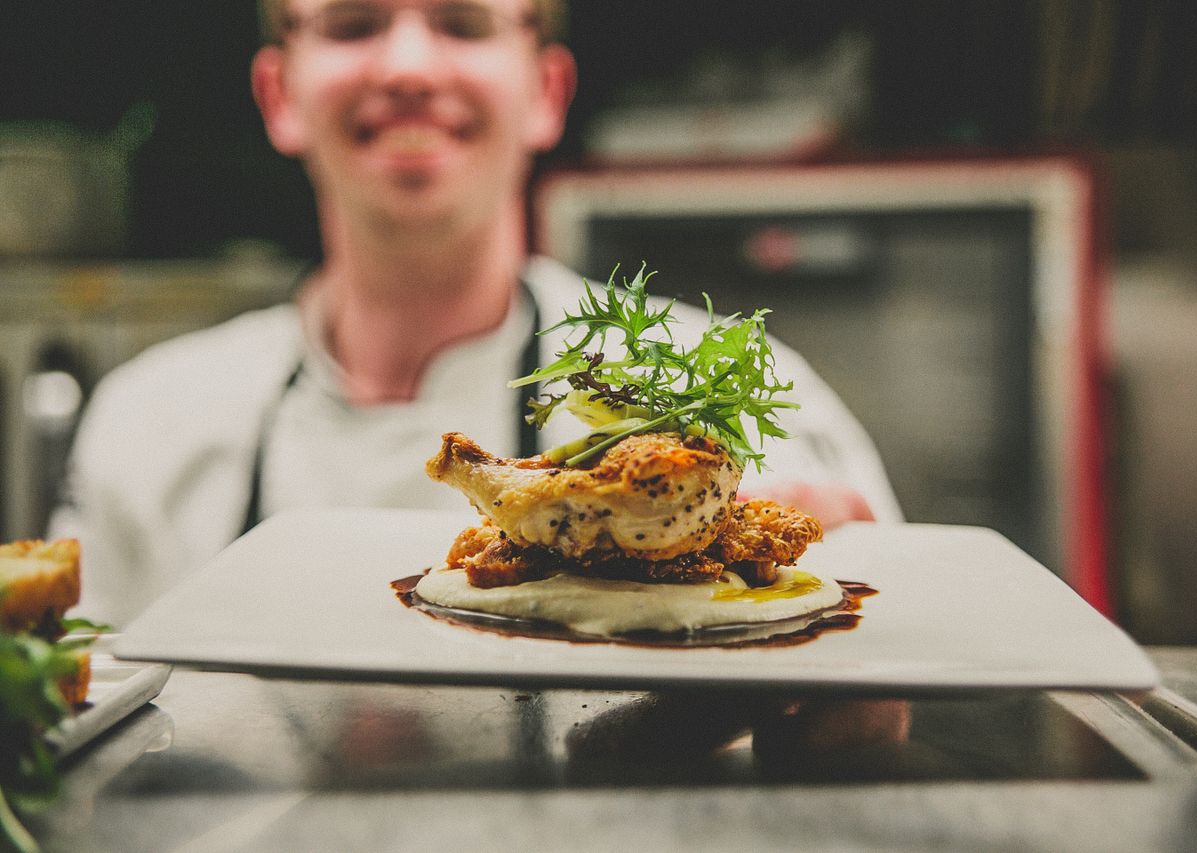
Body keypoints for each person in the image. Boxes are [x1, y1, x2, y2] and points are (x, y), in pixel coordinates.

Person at [49, 0, 901, 626]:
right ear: (278, 94)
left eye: (463, 23)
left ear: (547, 90)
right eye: (352, 25)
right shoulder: (147, 427)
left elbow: (894, 688)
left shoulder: (750, 402)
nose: (409, 69)